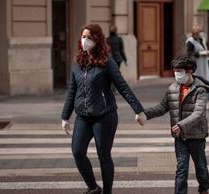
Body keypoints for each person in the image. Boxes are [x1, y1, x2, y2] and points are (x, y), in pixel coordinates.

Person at [61, 24, 147, 194]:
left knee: (103, 156)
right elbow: (72, 90)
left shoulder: (107, 61)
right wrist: (65, 116)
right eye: (83, 37)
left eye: (89, 38)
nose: (85, 41)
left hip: (104, 116)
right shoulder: (78, 62)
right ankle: (93, 188)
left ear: (97, 40)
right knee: (77, 151)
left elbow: (122, 86)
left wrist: (139, 110)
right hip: (83, 116)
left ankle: (107, 191)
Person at [143, 55, 209, 194]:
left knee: (201, 167)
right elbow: (162, 107)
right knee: (181, 169)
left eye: (179, 71)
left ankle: (204, 188)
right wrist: (144, 114)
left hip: (197, 137)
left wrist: (181, 124)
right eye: (175, 71)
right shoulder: (172, 89)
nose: (176, 74)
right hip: (180, 137)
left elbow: (198, 113)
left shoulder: (200, 90)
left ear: (189, 71)